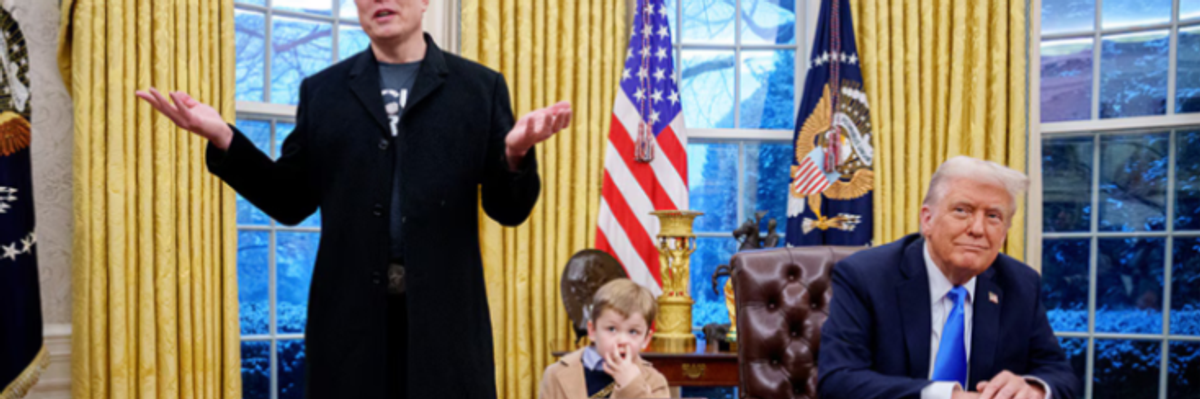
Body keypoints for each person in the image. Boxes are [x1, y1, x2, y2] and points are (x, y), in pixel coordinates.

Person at [135, 0, 573, 397]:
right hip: (348, 328)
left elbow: (509, 210)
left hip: (448, 329)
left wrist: (514, 154)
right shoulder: (323, 92)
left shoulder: (479, 88)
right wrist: (224, 136)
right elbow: (289, 200)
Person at [817, 156, 1080, 399]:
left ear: (1005, 232)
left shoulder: (1020, 284)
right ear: (927, 220)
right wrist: (947, 396)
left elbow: (1061, 375)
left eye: (993, 216)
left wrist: (1033, 389)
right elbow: (838, 380)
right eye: (962, 211)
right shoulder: (866, 276)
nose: (978, 229)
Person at [540, 279, 670, 399]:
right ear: (592, 330)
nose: (622, 340)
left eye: (633, 331)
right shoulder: (555, 374)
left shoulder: (655, 381)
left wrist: (631, 387)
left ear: (646, 339)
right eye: (612, 329)